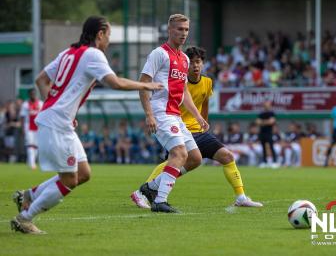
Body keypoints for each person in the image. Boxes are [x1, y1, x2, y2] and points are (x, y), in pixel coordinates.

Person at [10, 15, 163, 234]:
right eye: (108, 35)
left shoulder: (68, 53)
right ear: (100, 34)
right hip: (57, 123)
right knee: (70, 179)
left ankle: (29, 195)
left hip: (58, 119)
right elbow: (115, 83)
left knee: (83, 173)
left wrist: (52, 104)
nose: (108, 41)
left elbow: (41, 80)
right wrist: (146, 85)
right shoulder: (93, 54)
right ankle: (25, 218)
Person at [131, 46, 262, 209]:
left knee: (227, 156)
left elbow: (204, 104)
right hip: (177, 127)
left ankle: (241, 197)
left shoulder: (207, 82)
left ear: (203, 64)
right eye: (191, 62)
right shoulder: (177, 80)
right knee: (176, 159)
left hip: (198, 131)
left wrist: (203, 122)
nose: (195, 65)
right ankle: (145, 191)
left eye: (198, 62)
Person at [136, 14, 209, 213]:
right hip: (161, 112)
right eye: (179, 29)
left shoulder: (184, 58)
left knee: (194, 158)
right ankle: (160, 201)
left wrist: (198, 115)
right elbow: (143, 85)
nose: (183, 33)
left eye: (186, 29)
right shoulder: (158, 54)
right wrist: (149, 114)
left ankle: (149, 188)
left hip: (175, 114)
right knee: (179, 153)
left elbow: (184, 92)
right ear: (170, 30)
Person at [19, 89, 43, 170]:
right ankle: (32, 164)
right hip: (28, 127)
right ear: (29, 94)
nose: (33, 95)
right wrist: (22, 128)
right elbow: (22, 117)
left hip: (38, 127)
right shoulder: (25, 104)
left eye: (34, 93)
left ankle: (31, 161)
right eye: (31, 94)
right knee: (30, 144)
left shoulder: (40, 103)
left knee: (36, 145)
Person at [256, 101, 279, 168]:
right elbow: (257, 122)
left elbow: (271, 121)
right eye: (265, 104)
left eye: (267, 104)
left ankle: (275, 161)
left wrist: (262, 122)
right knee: (263, 147)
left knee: (271, 147)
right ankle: (264, 162)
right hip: (262, 133)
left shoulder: (271, 113)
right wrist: (266, 122)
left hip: (269, 133)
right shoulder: (261, 113)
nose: (266, 106)